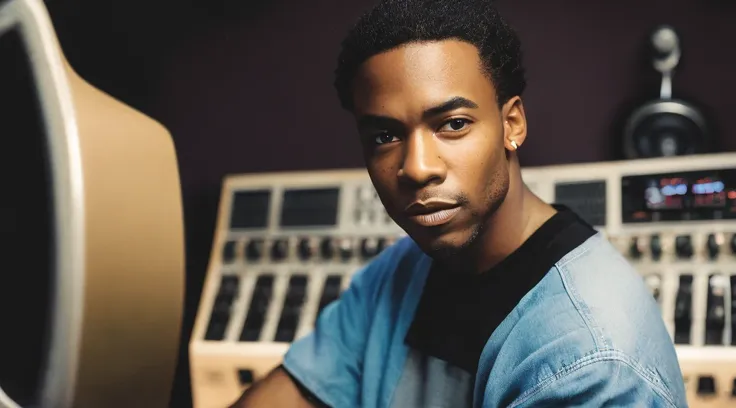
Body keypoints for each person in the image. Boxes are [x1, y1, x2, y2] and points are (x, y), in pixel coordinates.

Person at [231, 0, 687, 406]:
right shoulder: (399, 272)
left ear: (512, 124)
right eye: (385, 136)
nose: (417, 167)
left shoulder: (594, 361)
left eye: (452, 124)